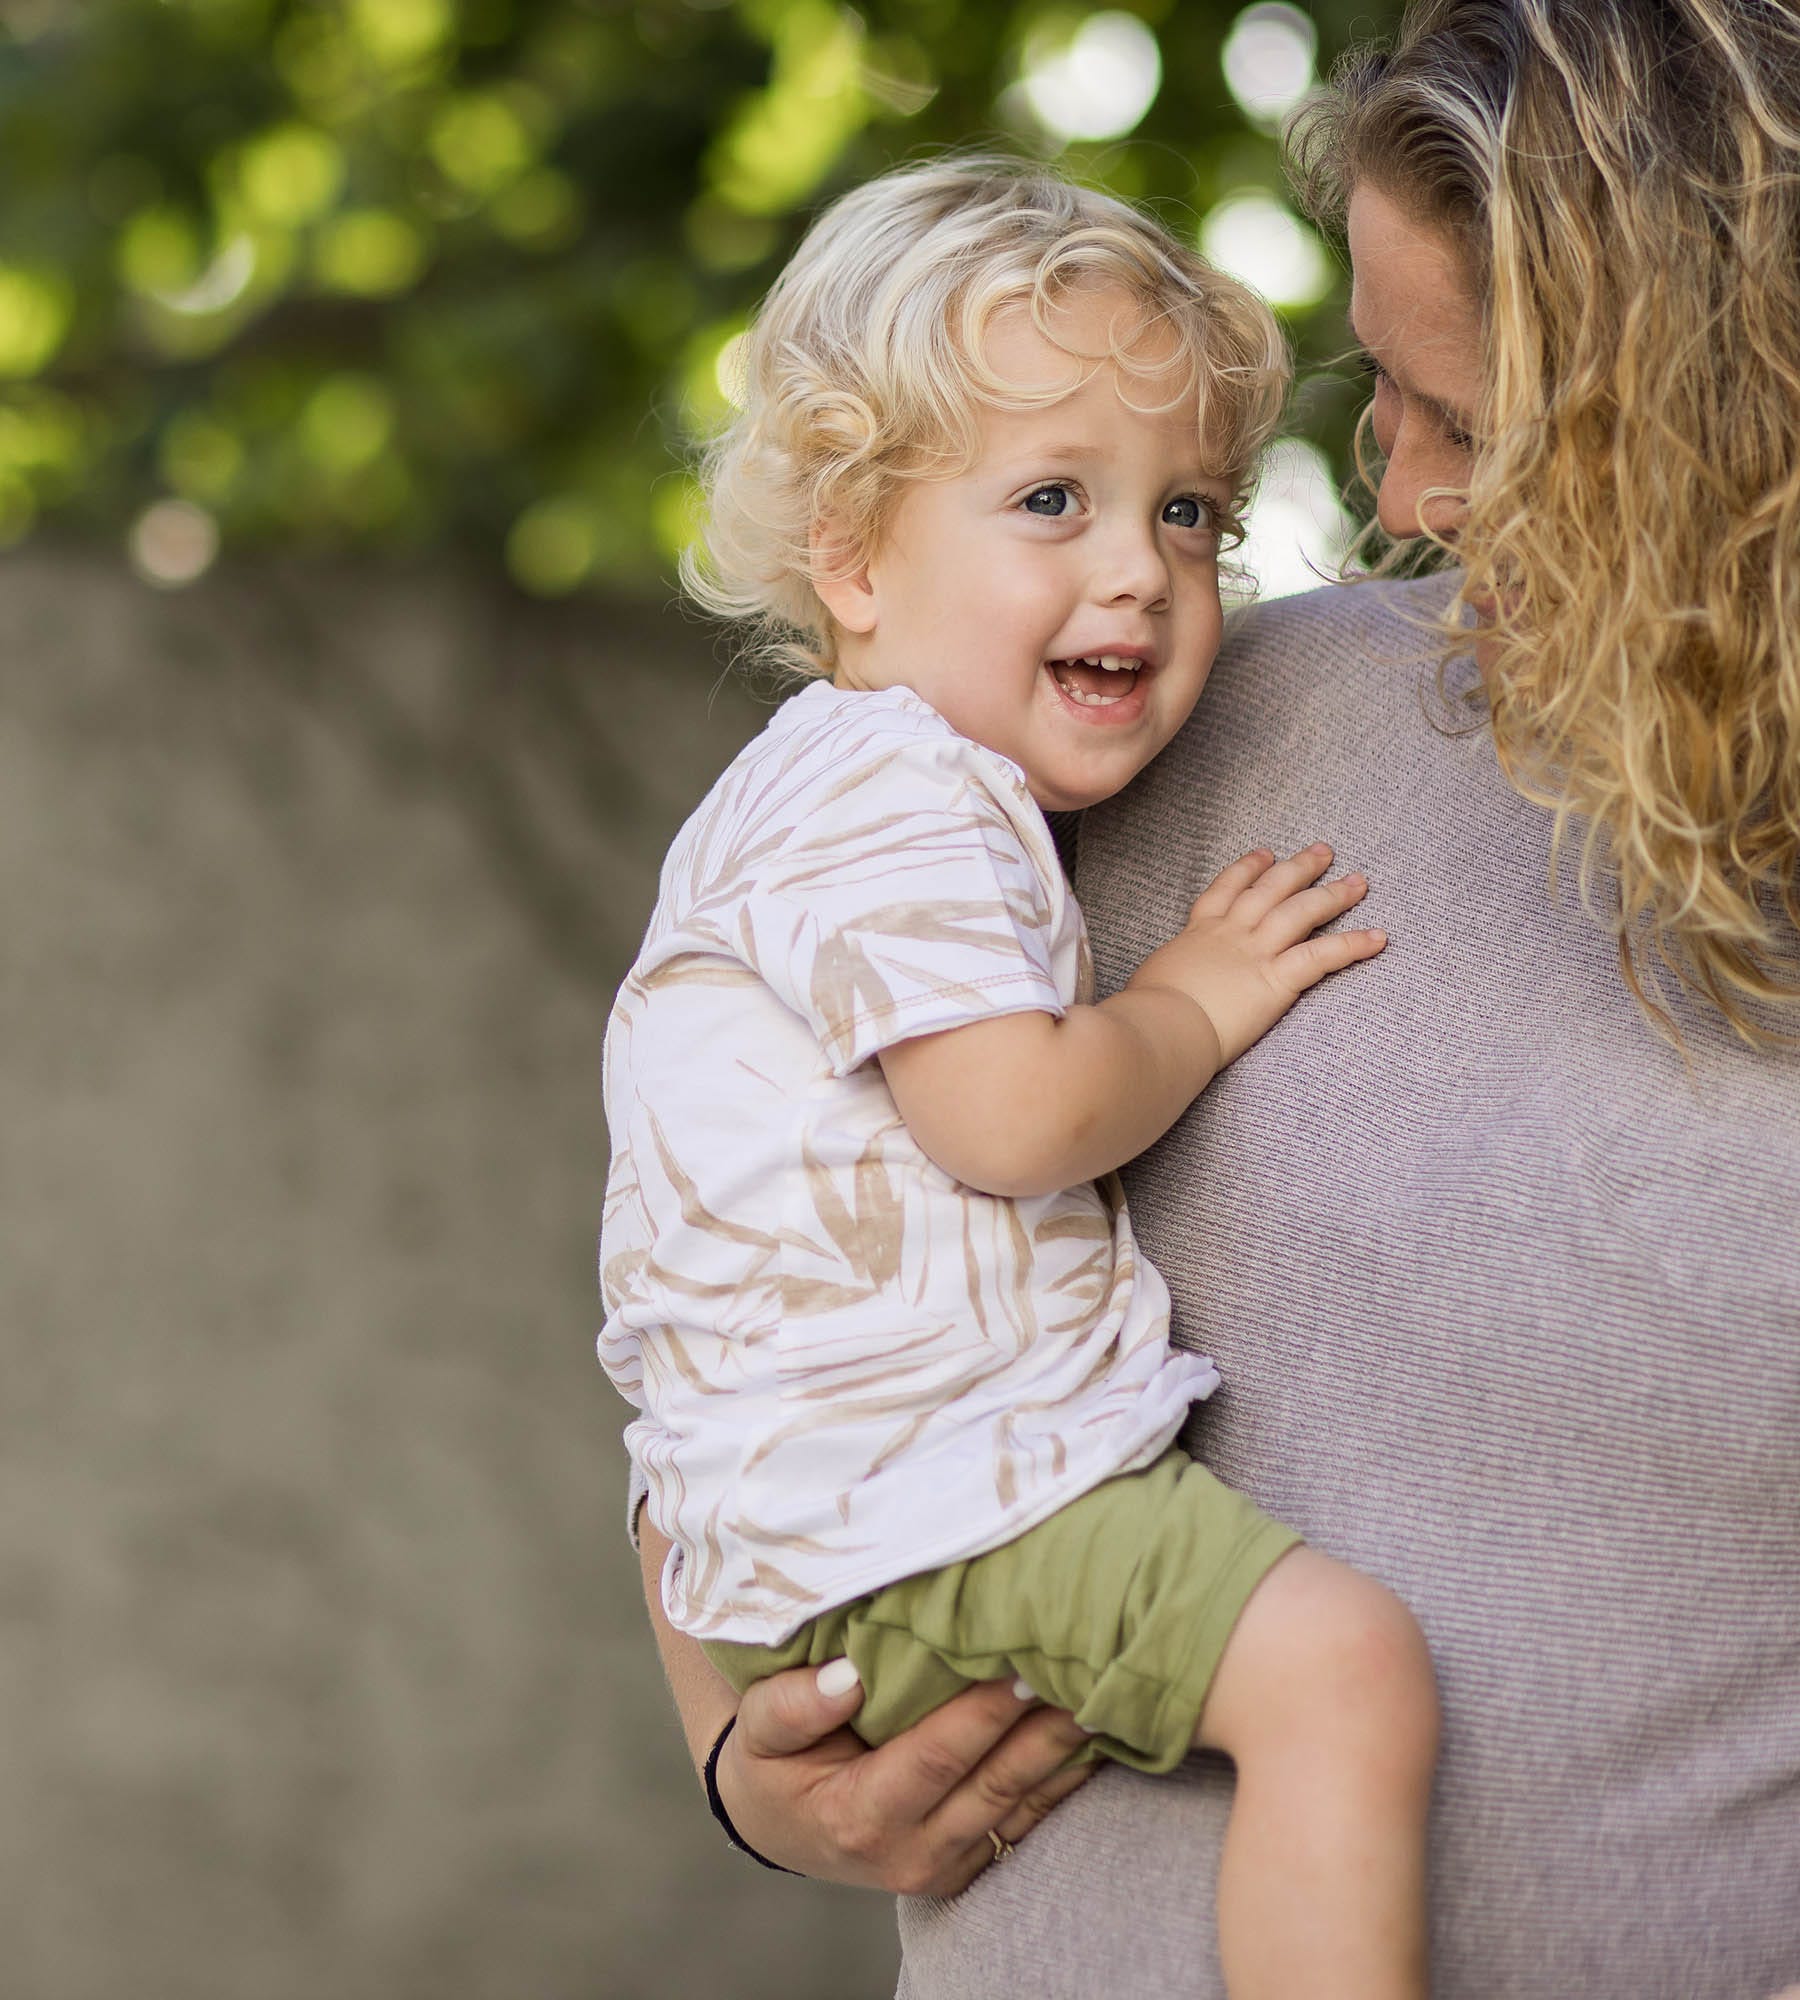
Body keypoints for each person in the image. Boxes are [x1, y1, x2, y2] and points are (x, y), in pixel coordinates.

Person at [633, 4, 1800, 1996]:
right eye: (1384, 401)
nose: (1402, 498)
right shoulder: (1187, 733)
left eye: (1479, 425)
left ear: (1723, 424)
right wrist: (746, 1763)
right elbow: (747, 1271)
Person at [602, 159, 1444, 1997]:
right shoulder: (892, 796)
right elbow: (1014, 1118)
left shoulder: (838, 795)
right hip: (929, 1506)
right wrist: (1198, 997)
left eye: (1190, 511)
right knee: (1344, 1678)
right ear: (851, 554)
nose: (1140, 566)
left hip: (832, 1528)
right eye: (1053, 499)